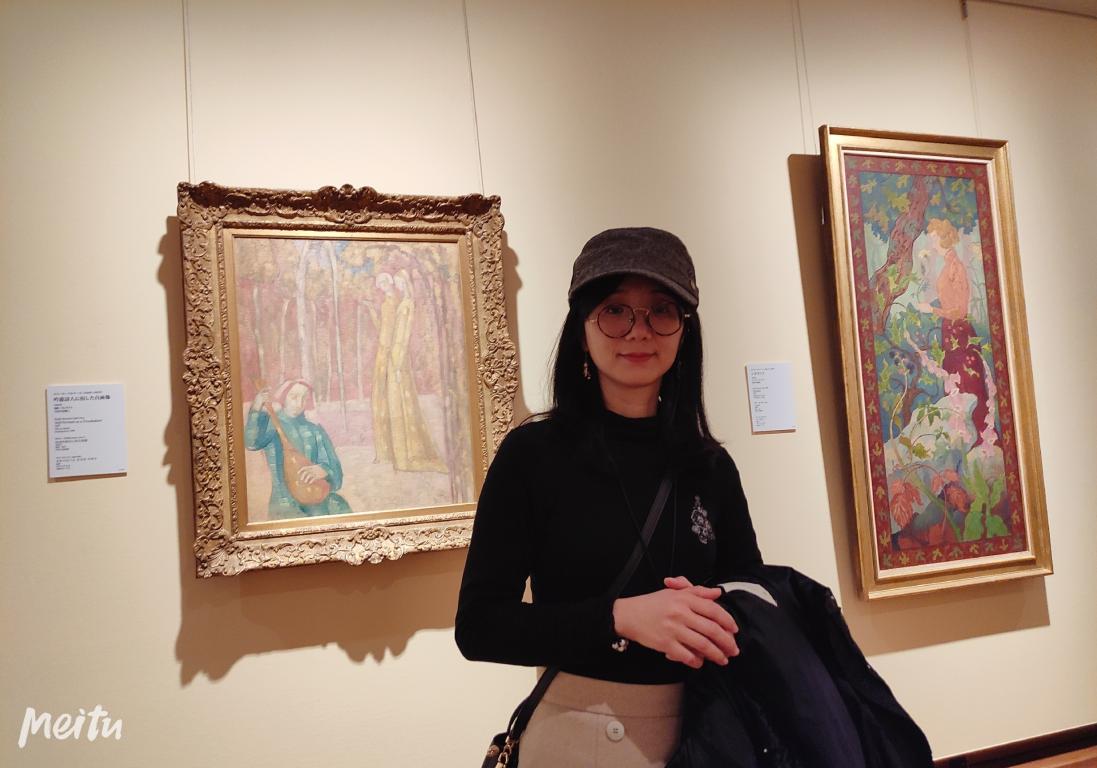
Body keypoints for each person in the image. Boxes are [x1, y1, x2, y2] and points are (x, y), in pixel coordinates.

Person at [455, 227, 763, 767]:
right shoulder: (534, 455)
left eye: (661, 310)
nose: (639, 331)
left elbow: (748, 603)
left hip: (703, 735)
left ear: (684, 331)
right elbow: (479, 628)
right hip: (577, 736)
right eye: (615, 311)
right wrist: (619, 618)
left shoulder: (710, 466)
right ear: (582, 329)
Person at [244, 379, 352, 519]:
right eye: (294, 397)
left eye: (304, 398)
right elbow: (251, 443)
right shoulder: (272, 425)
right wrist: (256, 406)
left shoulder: (315, 430)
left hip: (317, 501)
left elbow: (336, 471)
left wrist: (324, 470)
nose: (299, 403)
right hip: (285, 505)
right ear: (284, 398)